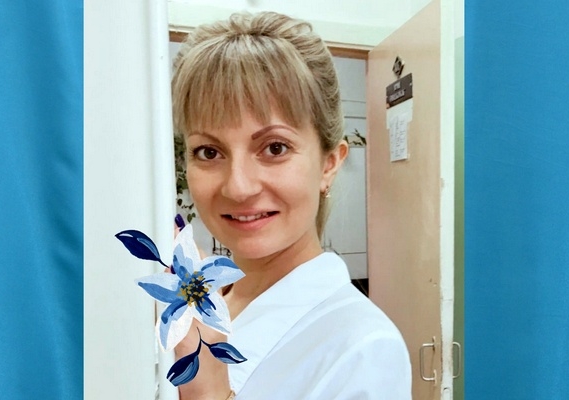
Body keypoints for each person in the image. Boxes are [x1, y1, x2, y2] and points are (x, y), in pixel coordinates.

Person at [170, 11, 412, 400]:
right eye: (209, 151)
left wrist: (209, 392)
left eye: (274, 148)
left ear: (329, 163)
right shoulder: (200, 307)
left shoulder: (365, 350)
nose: (238, 187)